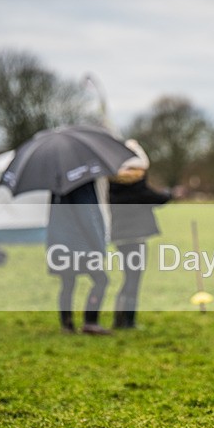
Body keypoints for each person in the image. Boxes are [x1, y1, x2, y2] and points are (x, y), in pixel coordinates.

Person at [108, 140, 171, 329]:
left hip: (119, 235)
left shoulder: (110, 183)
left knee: (128, 277)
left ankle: (121, 318)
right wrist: (170, 193)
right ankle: (126, 320)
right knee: (133, 279)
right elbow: (158, 198)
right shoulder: (136, 184)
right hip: (136, 237)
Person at [48, 180, 111, 335]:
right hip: (79, 244)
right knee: (101, 280)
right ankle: (90, 322)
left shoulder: (57, 183)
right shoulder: (82, 183)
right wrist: (99, 246)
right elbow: (87, 217)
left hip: (59, 242)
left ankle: (67, 324)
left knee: (67, 284)